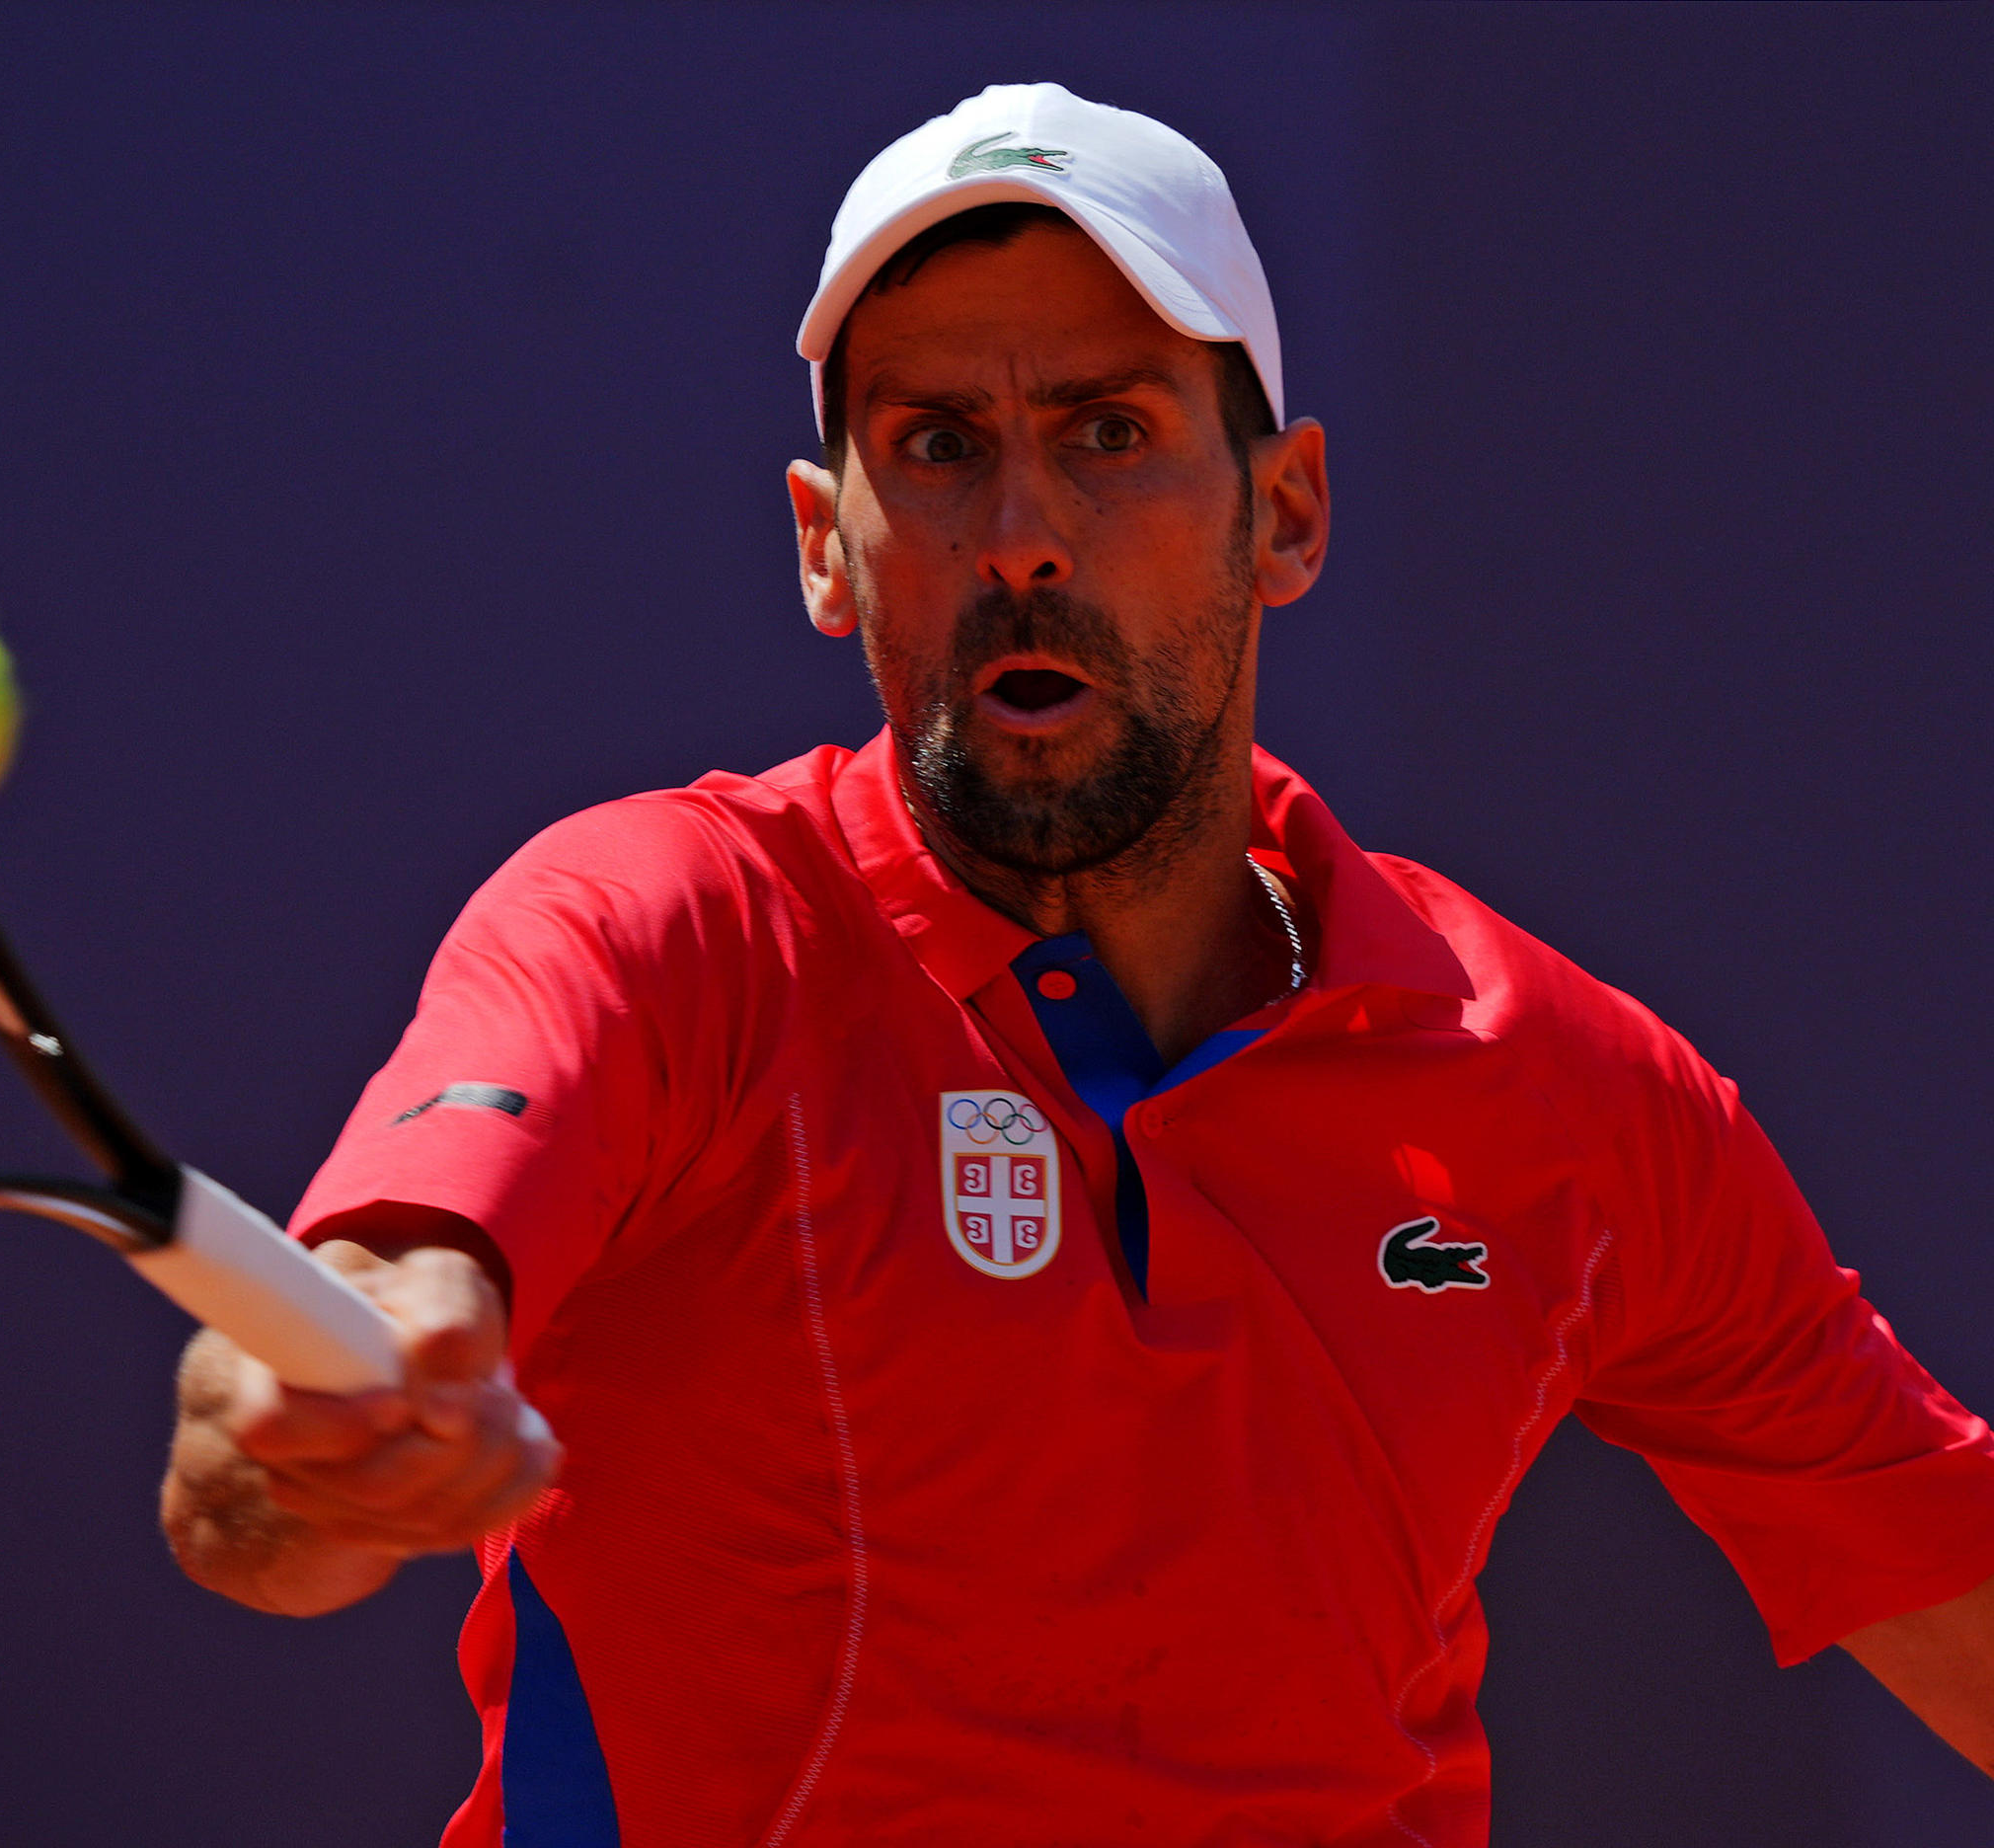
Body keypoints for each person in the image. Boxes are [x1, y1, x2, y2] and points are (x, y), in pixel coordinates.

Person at [160, 82, 1994, 1845]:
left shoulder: (1565, 1092)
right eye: (938, 446)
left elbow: (1945, 1574)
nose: (1022, 535)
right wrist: (313, 1437)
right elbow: (346, 1368)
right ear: (828, 548)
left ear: (1285, 513)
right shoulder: (663, 927)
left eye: (1110, 433)